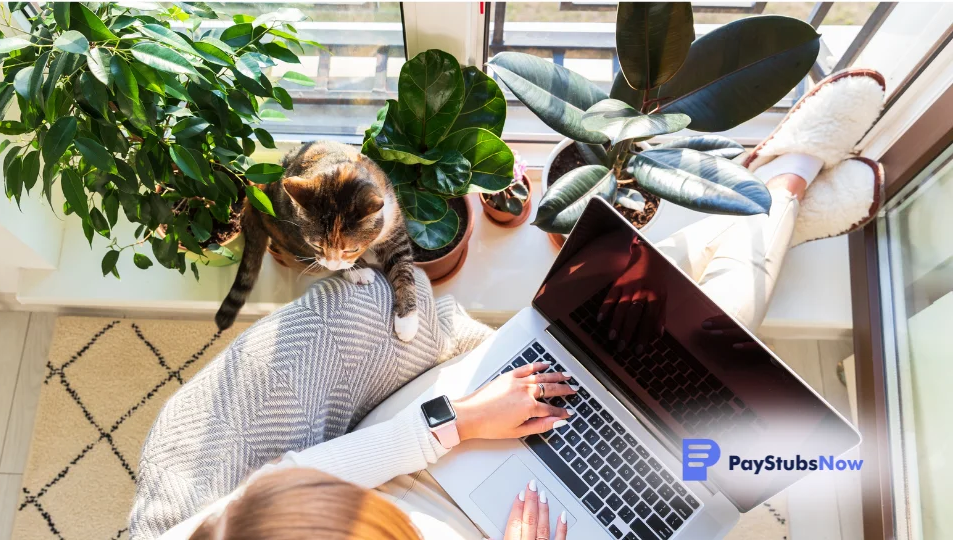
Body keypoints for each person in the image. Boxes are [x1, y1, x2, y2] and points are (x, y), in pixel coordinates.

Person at [156, 69, 886, 540]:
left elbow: (297, 478)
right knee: (686, 402)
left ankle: (775, 196)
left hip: (417, 462)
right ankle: (777, 197)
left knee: (630, 337)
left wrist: (454, 423)